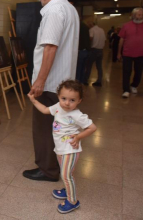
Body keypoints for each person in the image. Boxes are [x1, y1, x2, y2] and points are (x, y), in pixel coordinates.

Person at [22, 0, 79, 182]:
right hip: (63, 83)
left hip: (50, 85)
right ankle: (58, 166)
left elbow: (50, 48)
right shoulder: (70, 9)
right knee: (58, 128)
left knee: (43, 128)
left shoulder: (54, 11)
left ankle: (47, 170)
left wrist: (39, 81)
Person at [28, 80, 97, 214]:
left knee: (66, 175)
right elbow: (45, 110)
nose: (67, 102)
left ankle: (72, 201)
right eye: (63, 98)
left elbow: (92, 128)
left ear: (79, 101)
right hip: (60, 149)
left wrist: (78, 137)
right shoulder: (58, 107)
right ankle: (67, 189)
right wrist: (33, 100)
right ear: (58, 96)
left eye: (72, 100)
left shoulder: (77, 115)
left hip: (70, 150)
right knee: (66, 174)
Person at [117, 7, 143, 98]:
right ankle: (126, 90)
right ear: (133, 15)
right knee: (126, 72)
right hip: (127, 53)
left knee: (138, 72)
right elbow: (121, 40)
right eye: (139, 14)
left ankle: (134, 85)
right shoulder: (126, 25)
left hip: (141, 53)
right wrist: (119, 53)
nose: (141, 16)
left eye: (142, 14)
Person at [83, 22, 106, 86]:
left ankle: (85, 80)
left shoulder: (91, 30)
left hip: (93, 50)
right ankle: (99, 81)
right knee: (99, 67)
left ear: (91, 25)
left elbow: (91, 38)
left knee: (89, 66)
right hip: (100, 50)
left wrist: (87, 44)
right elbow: (105, 40)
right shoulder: (102, 30)